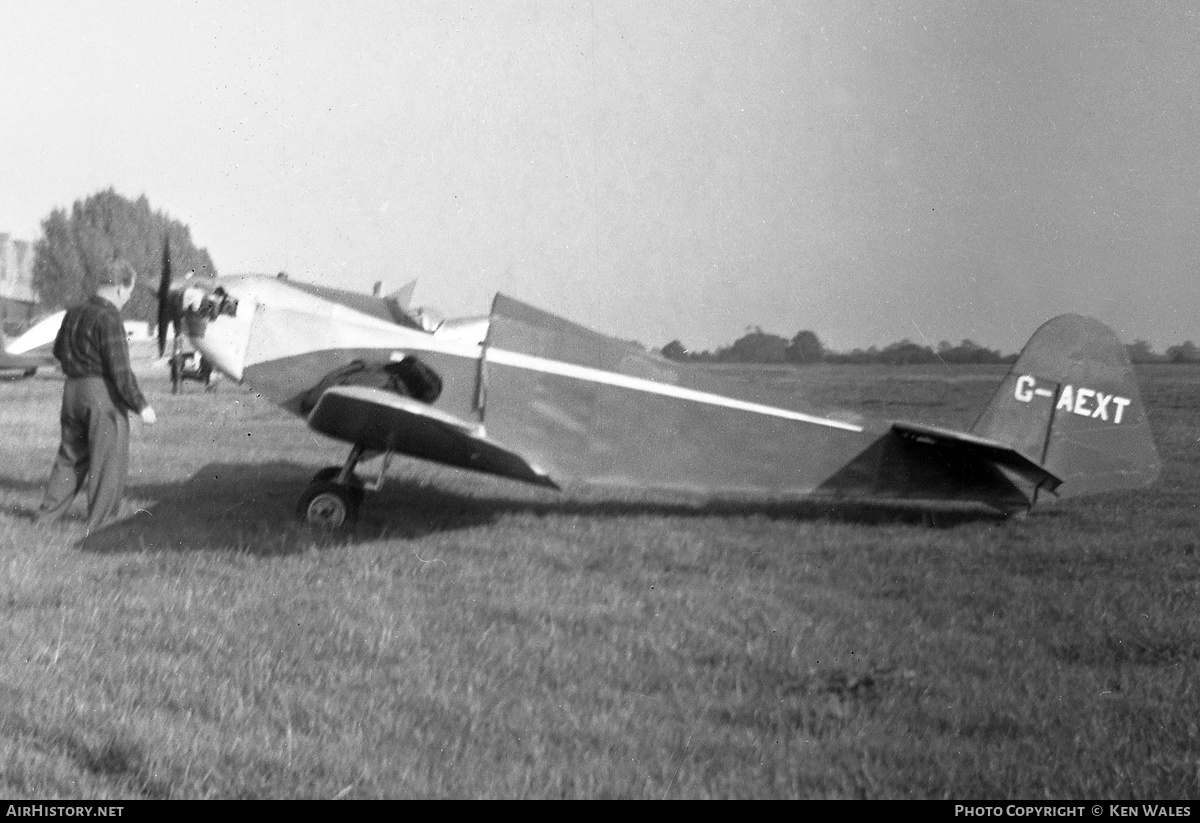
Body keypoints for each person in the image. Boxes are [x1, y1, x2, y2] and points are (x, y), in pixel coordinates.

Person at [35, 260, 157, 535]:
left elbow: (57, 351)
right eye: (129, 291)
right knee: (108, 461)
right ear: (119, 288)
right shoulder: (110, 317)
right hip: (100, 395)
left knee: (69, 457)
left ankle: (45, 518)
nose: (128, 298)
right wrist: (142, 405)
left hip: (72, 392)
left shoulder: (73, 313)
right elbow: (120, 370)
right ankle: (101, 526)